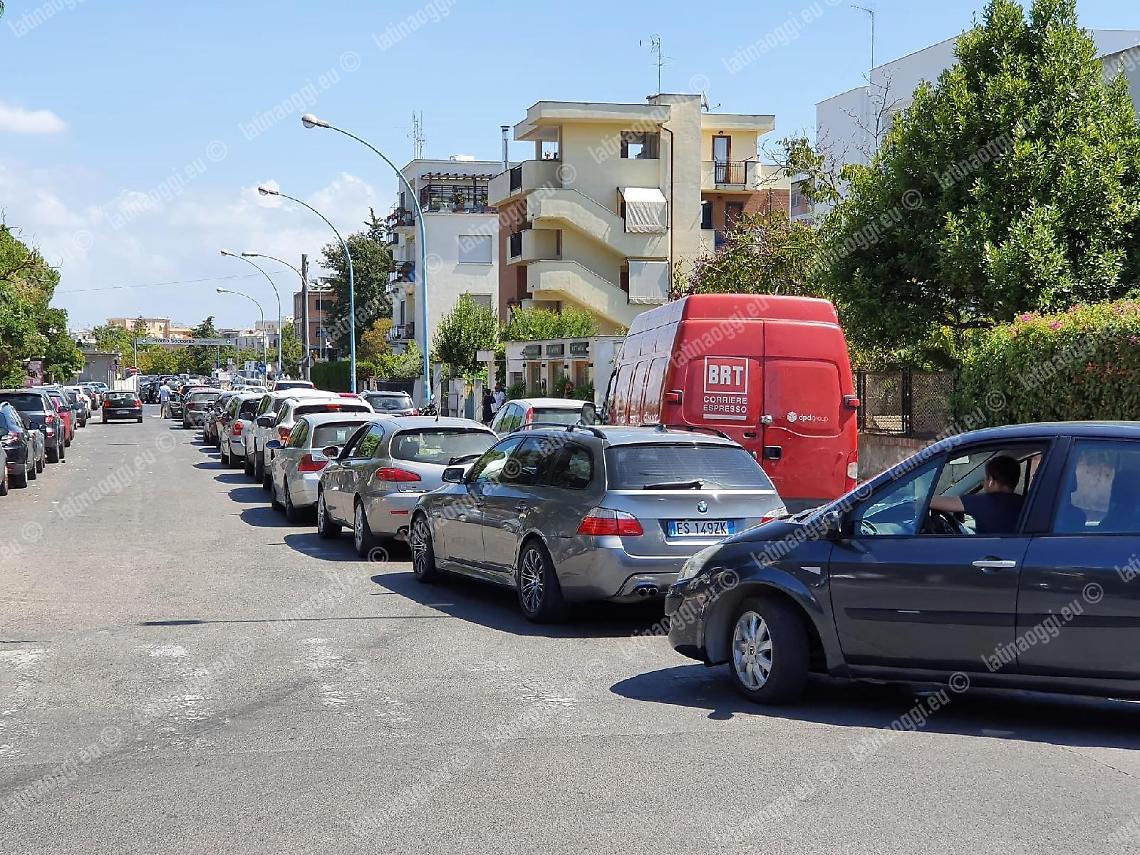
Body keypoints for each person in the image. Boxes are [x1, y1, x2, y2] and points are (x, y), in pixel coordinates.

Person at [929, 455, 1024, 534]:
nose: (983, 483)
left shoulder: (984, 502)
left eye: (985, 478)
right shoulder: (1024, 503)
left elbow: (931, 502)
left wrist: (920, 499)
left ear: (991, 481)